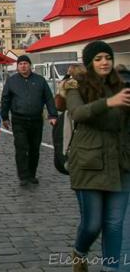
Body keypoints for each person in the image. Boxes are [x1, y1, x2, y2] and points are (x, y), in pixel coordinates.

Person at [65, 41, 130, 271]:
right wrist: (108, 103)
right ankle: (79, 252)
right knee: (92, 225)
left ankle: (110, 268)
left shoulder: (122, 87)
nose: (104, 62)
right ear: (90, 63)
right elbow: (78, 113)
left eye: (108, 58)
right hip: (89, 163)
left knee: (114, 224)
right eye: (99, 58)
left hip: (120, 163)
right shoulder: (76, 87)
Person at [1, 54, 58, 187]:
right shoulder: (12, 81)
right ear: (17, 66)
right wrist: (4, 117)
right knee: (21, 148)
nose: (23, 66)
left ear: (30, 65)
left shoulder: (40, 80)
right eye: (20, 64)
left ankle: (32, 174)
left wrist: (53, 115)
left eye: (25, 63)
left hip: (36, 120)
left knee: (34, 149)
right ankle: (23, 176)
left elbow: (49, 98)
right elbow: (5, 99)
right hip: (19, 119)